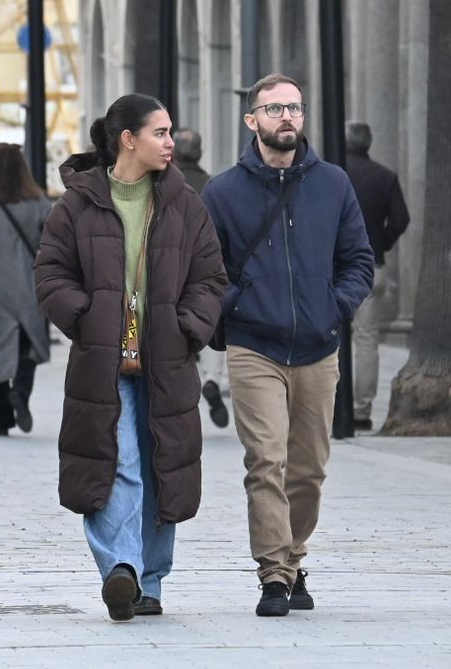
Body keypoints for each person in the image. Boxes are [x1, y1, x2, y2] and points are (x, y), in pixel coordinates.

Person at [34, 95, 226, 621]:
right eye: (160, 133)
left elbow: (212, 277)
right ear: (128, 139)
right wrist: (88, 317)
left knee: (161, 465)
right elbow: (51, 274)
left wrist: (187, 327)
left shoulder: (186, 203)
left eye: (169, 133)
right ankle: (122, 567)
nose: (170, 143)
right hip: (103, 362)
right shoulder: (76, 204)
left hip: (166, 359)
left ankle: (151, 581)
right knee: (117, 464)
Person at [201, 73, 375, 617]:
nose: (287, 117)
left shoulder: (334, 185)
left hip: (319, 349)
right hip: (255, 347)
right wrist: (241, 305)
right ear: (252, 120)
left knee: (309, 468)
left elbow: (359, 261)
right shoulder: (223, 191)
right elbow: (209, 270)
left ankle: (294, 558)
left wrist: (334, 306)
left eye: (295, 108)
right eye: (274, 109)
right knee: (266, 460)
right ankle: (274, 574)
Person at [0, 144, 52, 436]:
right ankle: (21, 390)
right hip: (26, 285)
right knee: (26, 343)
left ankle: (0, 421)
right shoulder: (38, 202)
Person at [343, 121, 410, 430]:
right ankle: (361, 410)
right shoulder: (385, 177)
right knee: (367, 340)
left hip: (333, 268)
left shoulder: (330, 175)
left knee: (328, 337)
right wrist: (380, 243)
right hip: (371, 266)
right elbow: (400, 218)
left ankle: (334, 403)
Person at [174, 128, 229, 429]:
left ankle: (182, 393)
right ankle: (210, 379)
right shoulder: (212, 186)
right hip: (205, 269)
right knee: (209, 325)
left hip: (170, 269)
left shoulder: (162, 184)